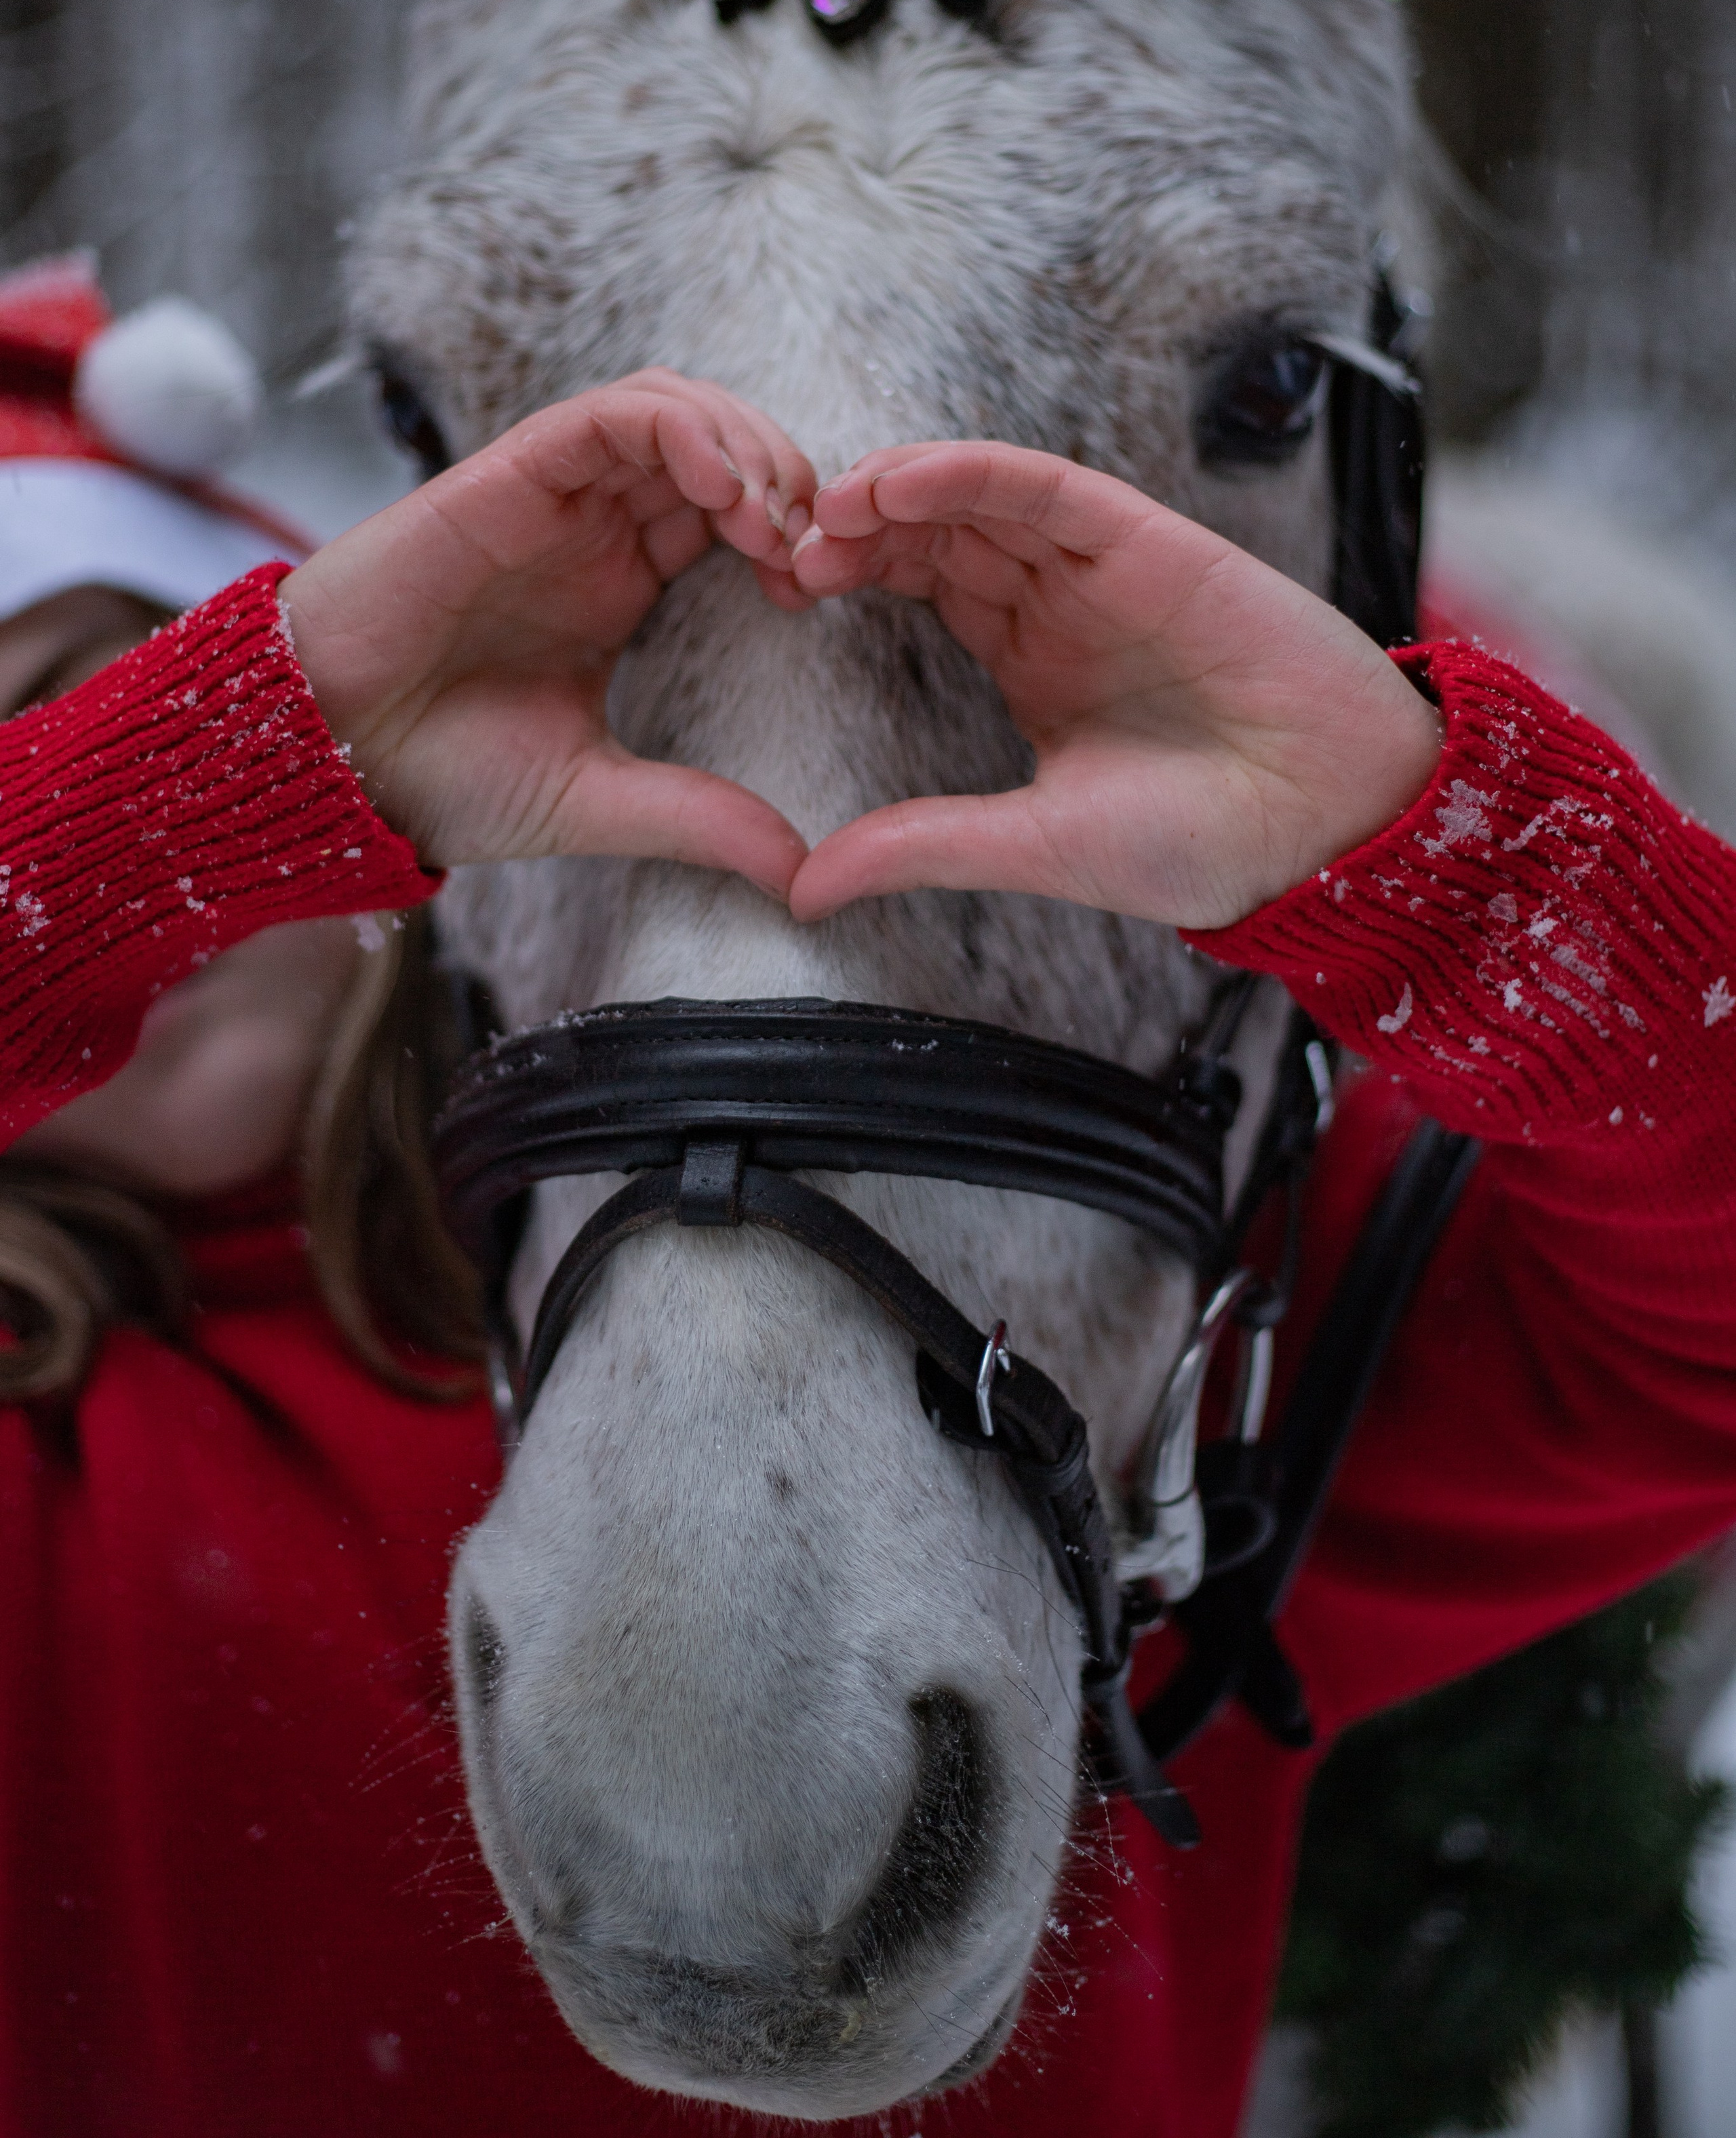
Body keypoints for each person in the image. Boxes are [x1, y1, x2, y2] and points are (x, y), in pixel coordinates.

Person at [2, 256, 1733, 2138]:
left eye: (51, 702)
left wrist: (1430, 857)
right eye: (48, 804)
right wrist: (177, 803)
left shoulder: (1082, 1324)